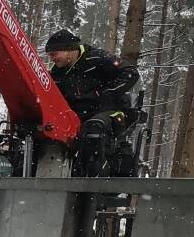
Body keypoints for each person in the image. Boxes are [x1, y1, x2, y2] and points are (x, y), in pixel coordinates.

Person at [45, 29, 140, 177]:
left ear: (69, 49)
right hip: (78, 117)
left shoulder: (98, 58)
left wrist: (107, 94)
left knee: (93, 129)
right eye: (49, 55)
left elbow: (130, 73)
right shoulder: (57, 73)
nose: (51, 58)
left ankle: (84, 178)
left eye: (54, 54)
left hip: (111, 112)